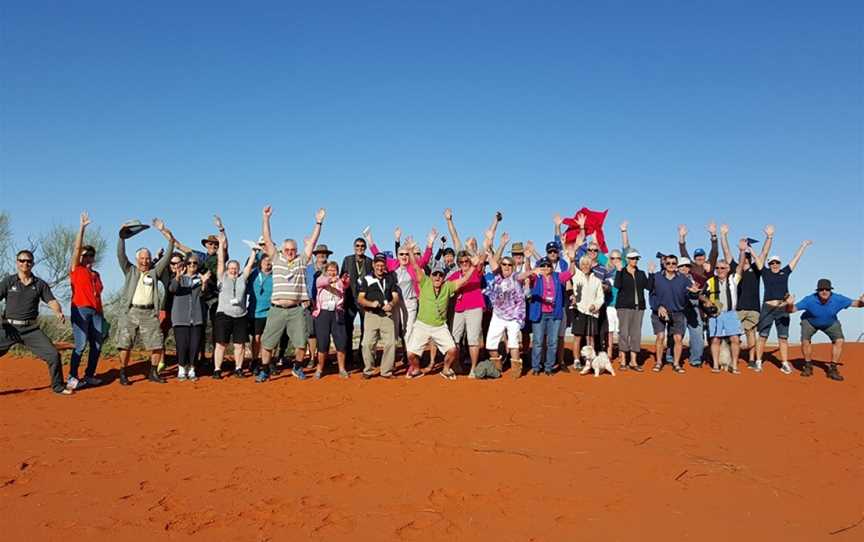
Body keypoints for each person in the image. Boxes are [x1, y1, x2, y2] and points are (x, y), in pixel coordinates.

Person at [255, 205, 325, 382]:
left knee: (301, 343)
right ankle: (264, 370)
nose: (290, 252)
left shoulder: (302, 260)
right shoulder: (276, 259)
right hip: (277, 309)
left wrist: (318, 222)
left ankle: (297, 367)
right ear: (282, 251)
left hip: (296, 310)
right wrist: (265, 218)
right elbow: (268, 239)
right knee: (268, 343)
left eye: (292, 249)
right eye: (287, 249)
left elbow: (313, 243)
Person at [403, 240, 481, 380]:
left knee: (452, 350)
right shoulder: (425, 281)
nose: (437, 277)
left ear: (443, 277)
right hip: (422, 325)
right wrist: (410, 251)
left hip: (439, 326)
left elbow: (464, 279)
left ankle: (445, 369)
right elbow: (415, 266)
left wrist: (474, 266)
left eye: (440, 275)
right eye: (435, 275)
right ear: (431, 275)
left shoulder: (448, 286)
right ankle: (416, 369)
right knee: (410, 354)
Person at [0, 249, 71, 395]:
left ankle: (58, 387)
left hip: (31, 330)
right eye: (22, 261)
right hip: (8, 328)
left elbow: (51, 300)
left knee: (53, 355)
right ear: (17, 263)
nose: (25, 263)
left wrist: (57, 311)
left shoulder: (40, 284)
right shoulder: (9, 281)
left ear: (32, 263)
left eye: (28, 261)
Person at [116, 218, 175, 385]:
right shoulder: (130, 270)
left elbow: (169, 252)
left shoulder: (154, 272)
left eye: (147, 258)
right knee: (125, 344)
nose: (145, 261)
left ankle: (153, 372)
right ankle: (123, 372)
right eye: (142, 258)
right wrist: (121, 236)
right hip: (131, 312)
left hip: (150, 313)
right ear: (137, 259)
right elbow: (120, 254)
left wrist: (166, 231)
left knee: (157, 343)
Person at [368, 228, 436, 362]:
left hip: (410, 303)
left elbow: (426, 259)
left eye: (406, 254)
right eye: (401, 254)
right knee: (393, 331)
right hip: (395, 303)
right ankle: (391, 361)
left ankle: (412, 360)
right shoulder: (393, 265)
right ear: (397, 255)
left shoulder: (413, 265)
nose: (404, 256)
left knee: (408, 331)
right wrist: (370, 240)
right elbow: (377, 254)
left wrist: (430, 243)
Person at [171, 215, 226, 364]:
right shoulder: (199, 256)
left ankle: (215, 360)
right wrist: (166, 233)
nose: (213, 247)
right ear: (206, 245)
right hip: (201, 296)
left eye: (215, 244)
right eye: (210, 244)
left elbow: (225, 245)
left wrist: (221, 228)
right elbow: (180, 247)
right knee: (199, 327)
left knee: (216, 328)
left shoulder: (222, 256)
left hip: (216, 296)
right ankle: (200, 357)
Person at [785, 280, 863, 381]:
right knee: (805, 340)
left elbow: (856, 304)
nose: (824, 291)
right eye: (821, 289)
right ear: (817, 291)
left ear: (831, 290)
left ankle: (833, 368)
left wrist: (862, 302)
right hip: (810, 322)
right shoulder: (809, 299)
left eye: (827, 289)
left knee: (839, 340)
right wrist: (789, 304)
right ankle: (808, 365)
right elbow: (791, 310)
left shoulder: (838, 299)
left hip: (830, 322)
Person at [754, 239, 813, 374]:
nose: (774, 265)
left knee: (783, 337)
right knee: (762, 336)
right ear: (769, 264)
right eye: (772, 263)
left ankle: (784, 363)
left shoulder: (785, 272)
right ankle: (758, 362)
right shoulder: (765, 272)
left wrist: (802, 246)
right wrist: (750, 249)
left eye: (777, 262)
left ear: (780, 264)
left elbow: (795, 259)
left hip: (783, 308)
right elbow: (758, 260)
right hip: (767, 308)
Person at [719, 224, 772, 368]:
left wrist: (769, 237)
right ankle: (728, 359)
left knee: (751, 333)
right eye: (744, 256)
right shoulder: (736, 267)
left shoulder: (756, 268)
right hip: (738, 308)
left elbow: (764, 253)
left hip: (754, 307)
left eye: (748, 256)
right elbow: (726, 251)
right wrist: (723, 235)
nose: (746, 259)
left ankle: (751, 360)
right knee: (733, 334)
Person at [67, 211, 105, 390]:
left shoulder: (96, 275)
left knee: (97, 345)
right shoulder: (76, 269)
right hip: (80, 309)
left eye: (91, 255)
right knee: (81, 345)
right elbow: (76, 249)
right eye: (85, 255)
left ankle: (89, 375)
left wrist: (103, 317)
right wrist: (82, 228)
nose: (87, 257)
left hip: (96, 312)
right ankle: (72, 376)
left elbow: (98, 296)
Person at [648, 254, 701, 373]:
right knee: (660, 336)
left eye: (673, 263)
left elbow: (690, 293)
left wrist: (694, 293)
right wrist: (658, 306)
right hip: (659, 312)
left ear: (676, 265)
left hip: (677, 313)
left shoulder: (683, 279)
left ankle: (676, 364)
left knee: (678, 338)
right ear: (664, 264)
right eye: (668, 263)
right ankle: (659, 362)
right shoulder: (656, 277)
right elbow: (651, 294)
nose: (671, 265)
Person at [212, 233, 255, 379]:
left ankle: (238, 368)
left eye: (235, 267)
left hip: (241, 316)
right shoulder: (222, 277)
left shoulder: (243, 278)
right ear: (227, 269)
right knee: (221, 344)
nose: (233, 270)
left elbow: (249, 265)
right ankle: (217, 369)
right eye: (231, 267)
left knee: (239, 345)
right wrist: (221, 245)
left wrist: (254, 251)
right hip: (224, 314)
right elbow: (220, 261)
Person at [484, 248, 531, 378]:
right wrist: (488, 254)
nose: (506, 267)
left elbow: (523, 275)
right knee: (490, 344)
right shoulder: (497, 277)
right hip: (498, 315)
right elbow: (493, 265)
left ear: (513, 267)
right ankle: (498, 366)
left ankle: (516, 369)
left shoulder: (515, 277)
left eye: (509, 265)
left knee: (513, 342)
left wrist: (532, 271)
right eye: (504, 264)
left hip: (514, 316)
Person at [527, 256, 574, 376]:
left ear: (552, 267)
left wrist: (572, 260)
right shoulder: (536, 277)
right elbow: (526, 275)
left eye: (548, 265)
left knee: (552, 342)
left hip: (554, 313)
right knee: (537, 341)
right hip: (539, 313)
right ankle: (536, 367)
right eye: (543, 265)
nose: (546, 268)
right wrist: (530, 264)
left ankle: (548, 367)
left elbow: (571, 273)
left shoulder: (557, 277)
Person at [357, 253, 400, 379]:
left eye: (382, 265)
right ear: (373, 265)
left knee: (391, 344)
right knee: (367, 344)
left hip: (386, 316)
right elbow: (360, 299)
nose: (380, 268)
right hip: (371, 315)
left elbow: (396, 297)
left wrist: (391, 304)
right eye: (378, 265)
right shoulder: (366, 279)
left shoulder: (390, 279)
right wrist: (371, 304)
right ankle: (368, 370)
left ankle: (386, 371)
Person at [168, 253, 210, 381]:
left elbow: (204, 295)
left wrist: (204, 283)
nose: (192, 265)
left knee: (194, 345)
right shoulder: (179, 278)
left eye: (195, 263)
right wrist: (177, 277)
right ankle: (181, 368)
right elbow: (172, 289)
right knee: (182, 345)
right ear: (185, 265)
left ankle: (191, 369)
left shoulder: (200, 278)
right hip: (180, 318)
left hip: (196, 317)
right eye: (189, 263)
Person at [701, 256, 744, 374]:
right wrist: (707, 301)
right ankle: (715, 365)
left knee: (735, 339)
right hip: (715, 315)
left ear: (728, 268)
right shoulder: (710, 281)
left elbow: (740, 267)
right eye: (717, 268)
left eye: (723, 268)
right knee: (715, 339)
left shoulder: (733, 279)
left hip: (731, 314)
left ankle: (734, 365)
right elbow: (701, 294)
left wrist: (742, 251)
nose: (720, 270)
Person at [614, 248, 650, 371]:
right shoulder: (622, 272)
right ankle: (623, 360)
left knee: (636, 334)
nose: (634, 260)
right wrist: (618, 271)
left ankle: (633, 361)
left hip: (638, 308)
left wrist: (650, 273)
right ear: (627, 259)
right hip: (624, 307)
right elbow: (617, 285)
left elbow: (649, 287)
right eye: (632, 258)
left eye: (636, 258)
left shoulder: (641, 273)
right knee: (623, 333)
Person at [313, 261, 350, 379]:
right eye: (330, 270)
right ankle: (319, 369)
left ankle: (342, 369)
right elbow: (321, 283)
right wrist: (330, 280)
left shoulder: (339, 281)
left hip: (337, 312)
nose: (332, 272)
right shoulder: (320, 278)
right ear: (326, 271)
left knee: (341, 342)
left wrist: (343, 280)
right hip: (323, 313)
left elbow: (344, 285)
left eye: (334, 270)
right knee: (323, 343)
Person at [341, 235, 372, 368]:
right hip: (349, 300)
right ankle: (348, 357)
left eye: (362, 246)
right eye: (357, 246)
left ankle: (361, 355)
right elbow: (342, 277)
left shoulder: (369, 261)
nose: (360, 248)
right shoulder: (347, 260)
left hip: (364, 300)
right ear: (354, 247)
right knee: (348, 328)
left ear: (365, 248)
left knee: (366, 329)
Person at [569, 255, 605, 368]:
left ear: (591, 266)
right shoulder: (576, 275)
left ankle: (590, 361)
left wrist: (595, 306)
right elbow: (570, 269)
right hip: (579, 311)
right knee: (577, 337)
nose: (585, 266)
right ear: (580, 265)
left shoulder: (597, 280)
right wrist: (571, 258)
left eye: (587, 264)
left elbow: (600, 297)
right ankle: (576, 360)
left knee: (590, 338)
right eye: (583, 264)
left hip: (592, 313)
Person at [247, 253, 273, 367]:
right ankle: (254, 360)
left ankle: (267, 362)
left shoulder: (276, 275)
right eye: (265, 261)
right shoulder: (253, 274)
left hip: (271, 311)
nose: (267, 263)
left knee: (269, 338)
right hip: (255, 311)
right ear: (260, 262)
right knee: (256, 338)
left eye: (269, 261)